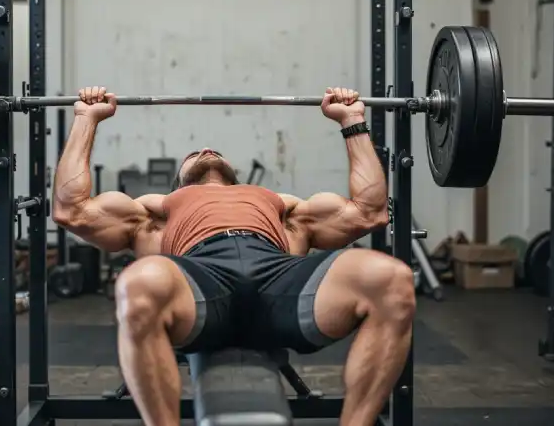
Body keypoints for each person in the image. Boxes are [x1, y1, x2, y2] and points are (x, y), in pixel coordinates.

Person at [52, 86, 415, 426]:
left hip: (281, 279)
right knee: (137, 284)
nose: (206, 149)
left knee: (392, 279)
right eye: (193, 154)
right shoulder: (155, 214)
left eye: (214, 152)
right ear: (177, 184)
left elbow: (369, 212)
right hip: (200, 283)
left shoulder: (282, 208)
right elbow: (73, 210)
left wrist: (352, 121)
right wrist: (86, 117)